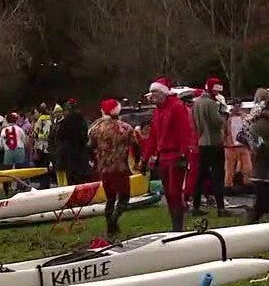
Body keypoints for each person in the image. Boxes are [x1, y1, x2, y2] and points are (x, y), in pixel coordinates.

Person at [143, 76, 197, 231]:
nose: (152, 96)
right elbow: (153, 137)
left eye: (155, 92)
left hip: (175, 155)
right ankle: (175, 224)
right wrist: (145, 158)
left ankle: (178, 226)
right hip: (164, 156)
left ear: (163, 93)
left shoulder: (176, 107)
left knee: (174, 192)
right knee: (169, 193)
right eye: (151, 93)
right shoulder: (158, 111)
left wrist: (183, 153)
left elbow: (184, 131)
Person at [88, 99, 141, 238]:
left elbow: (90, 146)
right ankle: (113, 221)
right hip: (121, 168)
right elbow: (136, 145)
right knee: (124, 198)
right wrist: (136, 161)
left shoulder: (95, 128)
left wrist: (95, 160)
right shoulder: (125, 128)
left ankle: (111, 226)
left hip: (104, 168)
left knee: (110, 198)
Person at [192, 78, 229, 216]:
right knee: (218, 175)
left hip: (202, 142)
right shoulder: (211, 103)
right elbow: (217, 122)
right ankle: (221, 208)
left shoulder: (197, 103)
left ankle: (195, 206)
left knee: (200, 176)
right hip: (214, 142)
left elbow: (195, 123)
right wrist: (224, 115)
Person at [53, 99, 90, 184]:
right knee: (81, 179)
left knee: (72, 180)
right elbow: (85, 136)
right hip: (81, 153)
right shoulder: (82, 120)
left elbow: (60, 136)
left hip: (70, 155)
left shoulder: (66, 121)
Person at [224, 102, 251, 192]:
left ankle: (246, 184)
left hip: (242, 145)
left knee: (247, 167)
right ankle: (228, 185)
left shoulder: (245, 117)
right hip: (231, 146)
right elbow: (224, 131)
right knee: (230, 168)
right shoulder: (228, 118)